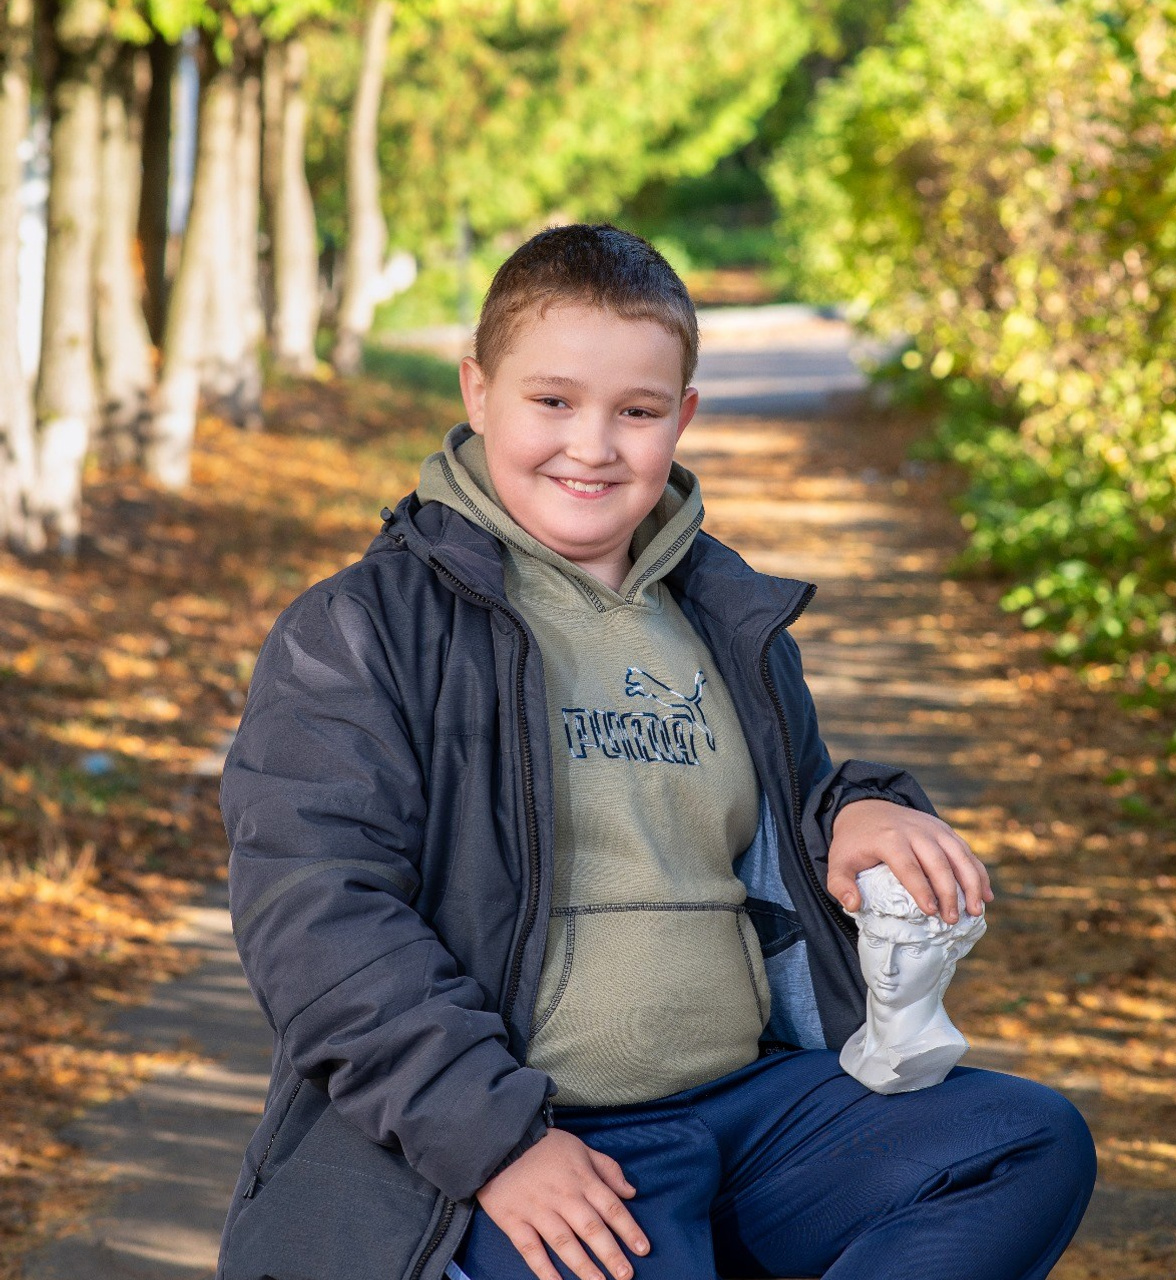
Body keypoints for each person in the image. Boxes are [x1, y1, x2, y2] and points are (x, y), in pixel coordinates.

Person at [217, 224, 1095, 1280]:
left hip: (743, 1113)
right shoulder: (362, 628)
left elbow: (785, 806)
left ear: (679, 418)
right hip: (532, 1130)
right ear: (476, 390)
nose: (591, 445)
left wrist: (858, 809)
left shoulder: (720, 614)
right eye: (551, 401)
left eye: (634, 411)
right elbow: (315, 914)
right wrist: (497, 1144)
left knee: (1017, 1142)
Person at [840, 863, 987, 1094]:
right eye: (876, 942)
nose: (887, 967)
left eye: (912, 950)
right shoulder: (856, 1043)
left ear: (951, 952)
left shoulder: (934, 1049)